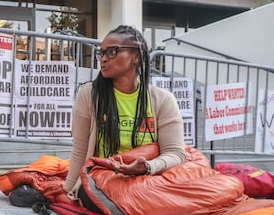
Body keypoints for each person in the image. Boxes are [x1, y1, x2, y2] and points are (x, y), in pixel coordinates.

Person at [62, 25, 186, 200]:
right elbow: (80, 150)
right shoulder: (89, 94)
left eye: (112, 52)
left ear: (136, 56)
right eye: (101, 53)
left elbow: (176, 153)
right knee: (99, 197)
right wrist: (68, 189)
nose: (103, 59)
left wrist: (148, 167)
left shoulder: (163, 99)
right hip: (104, 180)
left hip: (149, 180)